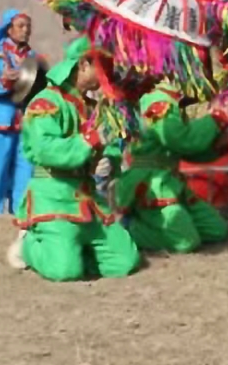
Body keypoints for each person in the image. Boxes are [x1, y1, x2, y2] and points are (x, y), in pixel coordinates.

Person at [9, 36, 140, 281]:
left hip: (87, 196)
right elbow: (46, 149)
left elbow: (108, 145)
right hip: (54, 195)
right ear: (82, 65)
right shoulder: (45, 103)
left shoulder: (93, 107)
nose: (107, 74)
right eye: (102, 66)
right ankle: (28, 246)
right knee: (65, 271)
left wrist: (108, 160)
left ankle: (74, 251)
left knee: (126, 261)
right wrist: (89, 141)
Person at [116, 84, 228, 253]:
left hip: (170, 179)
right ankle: (129, 228)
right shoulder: (157, 100)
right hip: (152, 183)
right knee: (186, 242)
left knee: (216, 230)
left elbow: (184, 150)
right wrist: (216, 119)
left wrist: (217, 143)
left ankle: (169, 226)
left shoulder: (170, 99)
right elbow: (179, 139)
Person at [0, 9, 37, 214]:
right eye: (21, 26)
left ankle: (20, 214)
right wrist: (5, 80)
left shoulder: (32, 57)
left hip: (26, 122)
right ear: (9, 29)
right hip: (1, 120)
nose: (25, 30)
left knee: (25, 168)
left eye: (28, 26)